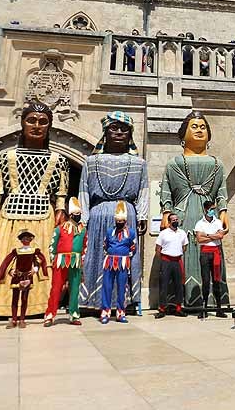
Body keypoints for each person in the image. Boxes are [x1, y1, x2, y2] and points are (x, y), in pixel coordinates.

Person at [0, 99, 70, 319]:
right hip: (10, 214)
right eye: (31, 120)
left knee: (41, 262)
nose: (37, 126)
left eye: (43, 121)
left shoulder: (58, 159)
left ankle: (39, 305)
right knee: (7, 258)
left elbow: (61, 190)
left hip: (43, 215)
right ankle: (2, 306)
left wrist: (61, 209)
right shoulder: (7, 156)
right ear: (22, 123)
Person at [159, 111, 229, 314]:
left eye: (203, 127)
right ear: (183, 134)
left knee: (211, 257)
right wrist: (166, 212)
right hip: (182, 216)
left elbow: (221, 192)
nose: (199, 130)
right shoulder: (173, 164)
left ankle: (214, 302)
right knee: (183, 254)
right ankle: (179, 301)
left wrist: (223, 211)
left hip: (209, 218)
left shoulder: (217, 164)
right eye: (194, 127)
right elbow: (166, 191)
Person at [79, 112, 148, 316]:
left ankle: (124, 302)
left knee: (126, 258)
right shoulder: (90, 162)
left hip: (127, 214)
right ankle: (92, 300)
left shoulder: (139, 163)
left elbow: (143, 190)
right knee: (95, 257)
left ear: (130, 134)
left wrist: (142, 214)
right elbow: (83, 190)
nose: (119, 132)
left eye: (124, 129)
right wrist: (82, 219)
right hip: (98, 215)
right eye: (114, 128)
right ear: (105, 132)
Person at [45, 198, 87, 326]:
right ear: (70, 215)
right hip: (61, 260)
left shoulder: (83, 230)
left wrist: (82, 261)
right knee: (56, 288)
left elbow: (85, 246)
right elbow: (52, 245)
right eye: (76, 214)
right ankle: (50, 315)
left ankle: (74, 315)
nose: (78, 216)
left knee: (74, 289)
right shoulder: (60, 228)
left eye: (79, 214)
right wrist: (54, 260)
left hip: (76, 261)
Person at [0, 230, 48, 328]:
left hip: (28, 276)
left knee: (24, 299)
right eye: (24, 238)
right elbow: (8, 262)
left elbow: (39, 261)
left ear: (30, 239)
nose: (26, 239)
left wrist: (35, 269)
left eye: (28, 238)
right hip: (17, 276)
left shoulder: (34, 251)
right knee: (15, 298)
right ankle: (14, 320)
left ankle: (22, 319)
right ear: (21, 240)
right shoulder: (16, 251)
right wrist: (10, 271)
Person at [100, 203, 136, 324]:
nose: (119, 222)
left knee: (122, 288)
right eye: (117, 220)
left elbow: (133, 247)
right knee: (107, 287)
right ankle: (105, 312)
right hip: (109, 262)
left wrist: (126, 257)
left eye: (121, 221)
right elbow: (105, 245)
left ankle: (121, 313)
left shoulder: (130, 233)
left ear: (125, 221)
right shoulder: (110, 231)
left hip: (123, 263)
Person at [194, 200, 228, 319]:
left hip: (216, 252)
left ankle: (219, 309)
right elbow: (199, 239)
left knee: (217, 280)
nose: (213, 211)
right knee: (206, 281)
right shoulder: (199, 223)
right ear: (206, 209)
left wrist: (206, 235)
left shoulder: (218, 222)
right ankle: (204, 309)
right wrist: (212, 236)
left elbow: (220, 236)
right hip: (205, 253)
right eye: (211, 209)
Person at [154, 212, 189, 318]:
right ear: (169, 222)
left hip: (177, 261)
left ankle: (178, 308)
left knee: (179, 286)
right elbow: (158, 249)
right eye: (173, 220)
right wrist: (164, 261)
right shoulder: (163, 233)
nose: (175, 221)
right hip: (166, 261)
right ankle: (162, 309)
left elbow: (184, 247)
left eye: (176, 219)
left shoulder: (182, 233)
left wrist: (177, 254)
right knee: (163, 285)